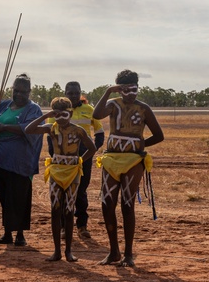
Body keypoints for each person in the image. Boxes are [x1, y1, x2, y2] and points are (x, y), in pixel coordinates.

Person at [92, 70, 164, 267]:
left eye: (134, 89)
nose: (131, 94)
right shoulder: (113, 105)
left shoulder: (143, 109)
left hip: (133, 160)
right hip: (111, 159)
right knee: (107, 203)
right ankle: (113, 251)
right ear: (119, 90)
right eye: (126, 90)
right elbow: (96, 115)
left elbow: (159, 135)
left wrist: (138, 145)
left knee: (127, 204)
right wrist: (108, 92)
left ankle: (129, 254)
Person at [28, 97, 97, 262]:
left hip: (73, 172)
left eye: (64, 114)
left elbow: (92, 148)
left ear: (71, 113)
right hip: (56, 171)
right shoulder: (51, 129)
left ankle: (68, 252)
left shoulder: (78, 130)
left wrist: (80, 160)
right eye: (57, 115)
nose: (60, 118)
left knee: (68, 209)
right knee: (55, 209)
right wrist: (46, 116)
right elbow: (30, 129)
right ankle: (57, 251)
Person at [0, 74, 43, 247]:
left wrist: (4, 127)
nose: (19, 95)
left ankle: (20, 234)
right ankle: (7, 233)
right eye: (16, 91)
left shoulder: (33, 109)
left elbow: (29, 129)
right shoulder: (3, 105)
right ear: (12, 89)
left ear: (29, 92)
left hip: (19, 162)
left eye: (23, 92)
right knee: (5, 197)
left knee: (19, 197)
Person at [47, 81, 105, 238]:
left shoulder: (89, 109)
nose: (73, 95)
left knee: (80, 191)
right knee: (63, 191)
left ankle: (82, 225)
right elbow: (50, 134)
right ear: (65, 93)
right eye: (70, 93)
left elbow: (99, 132)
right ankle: (65, 227)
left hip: (84, 155)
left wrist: (92, 150)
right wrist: (55, 154)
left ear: (80, 93)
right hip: (63, 156)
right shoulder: (59, 110)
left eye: (76, 93)